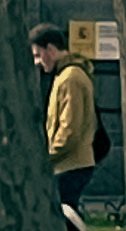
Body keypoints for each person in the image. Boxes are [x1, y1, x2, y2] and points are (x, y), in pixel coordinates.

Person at [30, 23, 97, 213]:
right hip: (69, 163)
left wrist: (47, 156)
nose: (37, 62)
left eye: (37, 55)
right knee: (67, 215)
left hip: (69, 164)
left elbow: (69, 130)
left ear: (50, 49)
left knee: (63, 218)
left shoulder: (70, 78)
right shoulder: (67, 76)